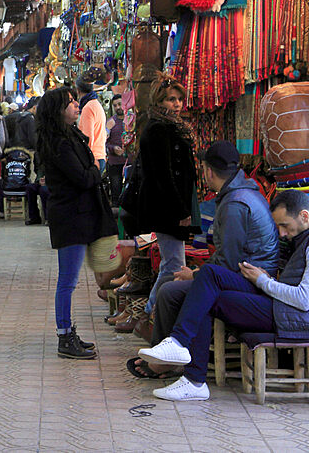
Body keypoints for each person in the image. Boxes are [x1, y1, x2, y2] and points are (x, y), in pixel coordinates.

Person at [139, 190, 309, 401]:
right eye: (279, 227)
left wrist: (264, 282)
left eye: (285, 225)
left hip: (291, 317)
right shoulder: (300, 239)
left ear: (304, 216)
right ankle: (182, 352)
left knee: (208, 292)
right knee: (209, 280)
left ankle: (190, 370)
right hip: (280, 306)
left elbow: (304, 299)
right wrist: (268, 280)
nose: (282, 233)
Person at [130, 141, 280, 378]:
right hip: (244, 274)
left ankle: (169, 359)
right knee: (172, 286)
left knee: (171, 291)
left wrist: (196, 274)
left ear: (209, 171)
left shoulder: (236, 203)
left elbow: (230, 263)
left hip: (251, 280)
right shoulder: (240, 193)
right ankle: (165, 354)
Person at [36, 87, 120, 360]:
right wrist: (97, 169)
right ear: (57, 111)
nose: (75, 106)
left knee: (70, 280)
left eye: (74, 101)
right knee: (68, 281)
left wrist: (92, 170)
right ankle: (64, 336)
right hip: (70, 217)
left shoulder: (69, 136)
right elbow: (83, 177)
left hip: (77, 214)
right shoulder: (59, 143)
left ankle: (69, 332)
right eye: (69, 103)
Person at [130, 77, 198, 339]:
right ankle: (150, 314)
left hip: (172, 204)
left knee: (173, 261)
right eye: (171, 99)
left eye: (179, 99)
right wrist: (180, 211)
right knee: (174, 263)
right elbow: (163, 176)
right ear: (159, 101)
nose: (177, 104)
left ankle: (150, 313)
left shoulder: (171, 127)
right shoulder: (158, 130)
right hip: (167, 207)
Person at [76, 75, 107, 170]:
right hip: (99, 156)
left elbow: (87, 138)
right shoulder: (96, 104)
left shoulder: (88, 108)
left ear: (78, 90)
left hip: (93, 158)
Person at [105, 94, 127, 201]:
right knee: (116, 193)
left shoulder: (131, 120)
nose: (118, 107)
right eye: (115, 105)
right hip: (115, 164)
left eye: (120, 104)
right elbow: (104, 142)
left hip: (129, 163)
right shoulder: (110, 123)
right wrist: (113, 148)